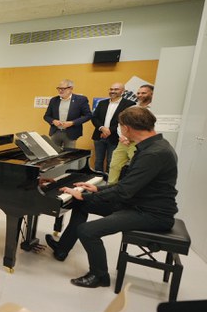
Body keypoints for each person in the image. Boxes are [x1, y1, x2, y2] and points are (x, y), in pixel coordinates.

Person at [45, 107, 177, 288]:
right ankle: (62, 249)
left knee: (87, 230)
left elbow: (124, 191)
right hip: (137, 203)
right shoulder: (154, 146)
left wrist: (86, 197)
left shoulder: (153, 153)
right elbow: (130, 184)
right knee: (80, 204)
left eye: (120, 126)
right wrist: (96, 190)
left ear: (126, 128)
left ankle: (99, 276)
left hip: (151, 213)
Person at [107, 84, 155, 184]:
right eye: (138, 93)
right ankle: (110, 188)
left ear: (151, 94)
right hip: (123, 142)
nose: (140, 95)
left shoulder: (155, 110)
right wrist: (122, 137)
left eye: (143, 93)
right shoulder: (132, 108)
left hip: (139, 144)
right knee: (114, 165)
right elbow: (121, 124)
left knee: (136, 168)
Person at [90, 82, 135, 172]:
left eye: (116, 89)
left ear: (123, 91)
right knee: (98, 161)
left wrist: (109, 130)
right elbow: (94, 118)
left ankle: (108, 182)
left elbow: (125, 122)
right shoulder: (102, 103)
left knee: (111, 162)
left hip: (115, 137)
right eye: (111, 89)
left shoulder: (129, 104)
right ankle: (97, 179)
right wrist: (102, 128)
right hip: (99, 136)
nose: (113, 91)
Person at [43, 79, 92, 150]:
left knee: (69, 156)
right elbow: (46, 116)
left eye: (63, 88)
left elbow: (88, 115)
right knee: (53, 154)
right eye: (59, 88)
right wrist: (53, 121)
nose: (60, 90)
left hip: (71, 133)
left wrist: (72, 123)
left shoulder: (80, 100)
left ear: (71, 88)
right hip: (55, 132)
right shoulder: (54, 100)